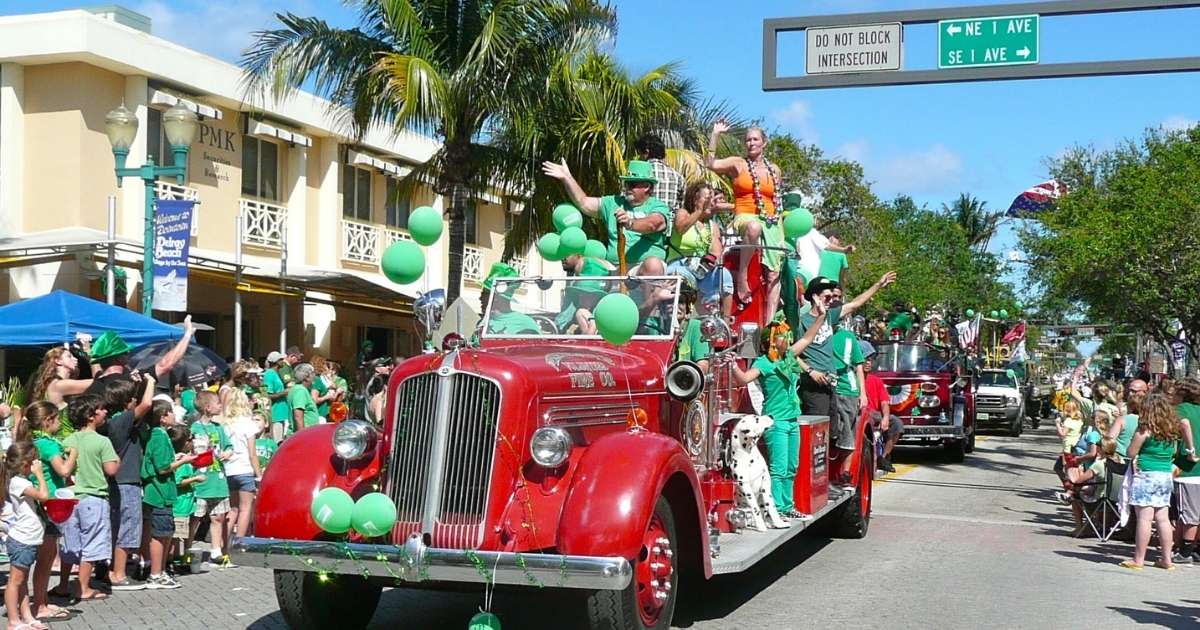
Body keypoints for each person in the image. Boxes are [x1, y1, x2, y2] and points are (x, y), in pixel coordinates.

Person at [729, 318, 825, 518]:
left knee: (792, 466)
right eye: (783, 335)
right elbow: (745, 378)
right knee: (779, 468)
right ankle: (777, 509)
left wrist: (822, 317)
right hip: (776, 420)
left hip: (792, 419)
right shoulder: (764, 362)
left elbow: (808, 339)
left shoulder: (789, 357)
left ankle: (787, 507)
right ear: (772, 340)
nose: (787, 339)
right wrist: (733, 365)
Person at [794, 272, 897, 445]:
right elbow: (791, 355)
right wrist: (810, 371)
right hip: (813, 387)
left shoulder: (829, 316)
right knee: (817, 434)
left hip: (831, 385)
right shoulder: (801, 322)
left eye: (832, 296)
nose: (830, 300)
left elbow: (855, 303)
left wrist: (878, 284)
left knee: (833, 433)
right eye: (826, 297)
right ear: (814, 297)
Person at [706, 122, 784, 321]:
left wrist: (780, 232)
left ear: (764, 143)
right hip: (745, 216)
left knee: (774, 275)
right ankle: (741, 277)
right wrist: (715, 135)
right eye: (748, 140)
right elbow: (711, 164)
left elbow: (777, 202)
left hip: (771, 220)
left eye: (755, 139)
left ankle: (769, 325)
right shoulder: (738, 163)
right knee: (753, 227)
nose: (751, 143)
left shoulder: (774, 169)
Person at [542, 159, 671, 269]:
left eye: (631, 184)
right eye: (625, 183)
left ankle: (650, 299)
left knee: (653, 265)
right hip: (613, 267)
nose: (626, 188)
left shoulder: (658, 206)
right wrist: (567, 178)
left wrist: (629, 223)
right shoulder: (612, 202)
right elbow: (584, 202)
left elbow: (653, 224)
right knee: (583, 264)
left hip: (641, 268)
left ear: (647, 186)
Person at [18, 402, 77, 622]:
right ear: (47, 421)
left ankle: (41, 600)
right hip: (49, 505)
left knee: (47, 556)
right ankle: (40, 605)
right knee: (46, 557)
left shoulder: (35, 442)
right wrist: (73, 454)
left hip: (44, 504)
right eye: (57, 418)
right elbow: (63, 469)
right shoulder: (48, 445)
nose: (60, 423)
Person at [58, 394, 119, 602]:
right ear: (91, 416)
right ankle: (83, 588)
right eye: (101, 409)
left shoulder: (67, 440)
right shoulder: (102, 441)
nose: (105, 412)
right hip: (94, 497)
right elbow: (110, 469)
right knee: (92, 543)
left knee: (70, 544)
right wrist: (118, 460)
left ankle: (64, 585)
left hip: (70, 499)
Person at [100, 373, 156, 591]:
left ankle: (113, 569)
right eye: (133, 397)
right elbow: (147, 404)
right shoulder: (121, 421)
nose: (136, 400)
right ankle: (119, 573)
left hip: (119, 482)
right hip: (126, 482)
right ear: (127, 402)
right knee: (127, 527)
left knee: (118, 527)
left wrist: (140, 383)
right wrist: (151, 382)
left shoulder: (116, 422)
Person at [1123, 394, 1188, 570]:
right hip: (1165, 475)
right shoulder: (1171, 432)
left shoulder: (1144, 430)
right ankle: (1167, 559)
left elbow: (1131, 452)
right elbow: (1173, 453)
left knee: (1144, 518)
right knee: (1163, 518)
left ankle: (1138, 559)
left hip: (1146, 474)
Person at [141, 399, 190, 589]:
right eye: (170, 412)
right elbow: (162, 468)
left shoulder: (161, 435)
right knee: (159, 535)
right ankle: (155, 574)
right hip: (159, 492)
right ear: (162, 418)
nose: (173, 415)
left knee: (166, 532)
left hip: (163, 492)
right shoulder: (159, 436)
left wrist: (176, 458)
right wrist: (185, 461)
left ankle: (161, 571)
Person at [666, 181, 734, 316]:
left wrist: (708, 263)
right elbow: (680, 229)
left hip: (702, 269)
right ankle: (677, 319)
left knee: (724, 275)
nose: (711, 202)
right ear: (695, 199)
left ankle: (724, 323)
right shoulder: (682, 213)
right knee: (683, 278)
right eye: (707, 198)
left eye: (712, 199)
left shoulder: (712, 225)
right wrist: (699, 211)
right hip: (680, 265)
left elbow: (716, 252)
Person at [3, 441, 50, 630]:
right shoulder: (18, 482)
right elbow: (44, 496)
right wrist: (39, 474)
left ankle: (27, 616)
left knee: (22, 581)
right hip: (22, 540)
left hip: (28, 539)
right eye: (34, 462)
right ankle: (13, 621)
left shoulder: (20, 481)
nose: (36, 465)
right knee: (15, 581)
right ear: (24, 464)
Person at [189, 390, 234, 569]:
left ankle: (216, 551)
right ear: (207, 407)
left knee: (218, 516)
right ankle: (187, 548)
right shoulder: (194, 429)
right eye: (217, 403)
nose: (220, 406)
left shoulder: (219, 428)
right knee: (196, 518)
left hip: (218, 479)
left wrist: (227, 452)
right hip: (201, 480)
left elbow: (229, 446)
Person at [221, 390, 263, 550]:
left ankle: (223, 546)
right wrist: (258, 475)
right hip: (244, 469)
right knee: (246, 509)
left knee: (232, 509)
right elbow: (252, 453)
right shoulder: (248, 423)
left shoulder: (225, 424)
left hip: (229, 469)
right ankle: (239, 545)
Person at [830, 326, 866, 483]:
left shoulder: (847, 336)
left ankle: (845, 473)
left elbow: (859, 365)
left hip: (845, 390)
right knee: (836, 432)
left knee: (847, 433)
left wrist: (862, 393)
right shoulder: (815, 332)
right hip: (829, 389)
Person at [1171, 378, 1200, 564]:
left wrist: (1189, 449)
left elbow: (1184, 424)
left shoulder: (1181, 410)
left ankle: (1186, 552)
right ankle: (1194, 549)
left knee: (1189, 513)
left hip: (1187, 469)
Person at [860, 341, 900, 473]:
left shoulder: (876, 380)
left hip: (875, 415)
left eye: (870, 360)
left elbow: (884, 402)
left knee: (897, 423)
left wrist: (886, 418)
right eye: (865, 359)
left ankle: (883, 458)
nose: (868, 363)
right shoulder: (851, 379)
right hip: (861, 414)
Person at [168, 425, 203, 572]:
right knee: (176, 538)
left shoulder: (185, 459)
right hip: (179, 506)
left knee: (180, 536)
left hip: (186, 505)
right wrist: (195, 479)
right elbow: (177, 481)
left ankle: (177, 560)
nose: (193, 442)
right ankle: (172, 562)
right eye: (190, 439)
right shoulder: (181, 461)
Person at [479, 263, 541, 335]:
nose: (480, 298)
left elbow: (540, 345)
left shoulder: (525, 323)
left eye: (484, 295)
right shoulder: (483, 323)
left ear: (496, 298)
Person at [635, 133, 686, 215]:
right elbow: (681, 207)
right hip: (669, 225)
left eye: (640, 154)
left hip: (643, 223)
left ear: (647, 152)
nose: (639, 157)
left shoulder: (637, 174)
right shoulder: (678, 177)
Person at [263, 351, 290, 442]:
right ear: (276, 362)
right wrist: (283, 393)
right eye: (281, 359)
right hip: (275, 414)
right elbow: (267, 395)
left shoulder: (276, 373)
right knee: (277, 441)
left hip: (281, 414)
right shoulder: (269, 374)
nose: (283, 361)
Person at [287, 363, 321, 433]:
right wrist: (302, 436)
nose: (315, 376)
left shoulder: (299, 389)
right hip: (303, 435)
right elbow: (298, 416)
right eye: (313, 373)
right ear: (307, 377)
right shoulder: (300, 390)